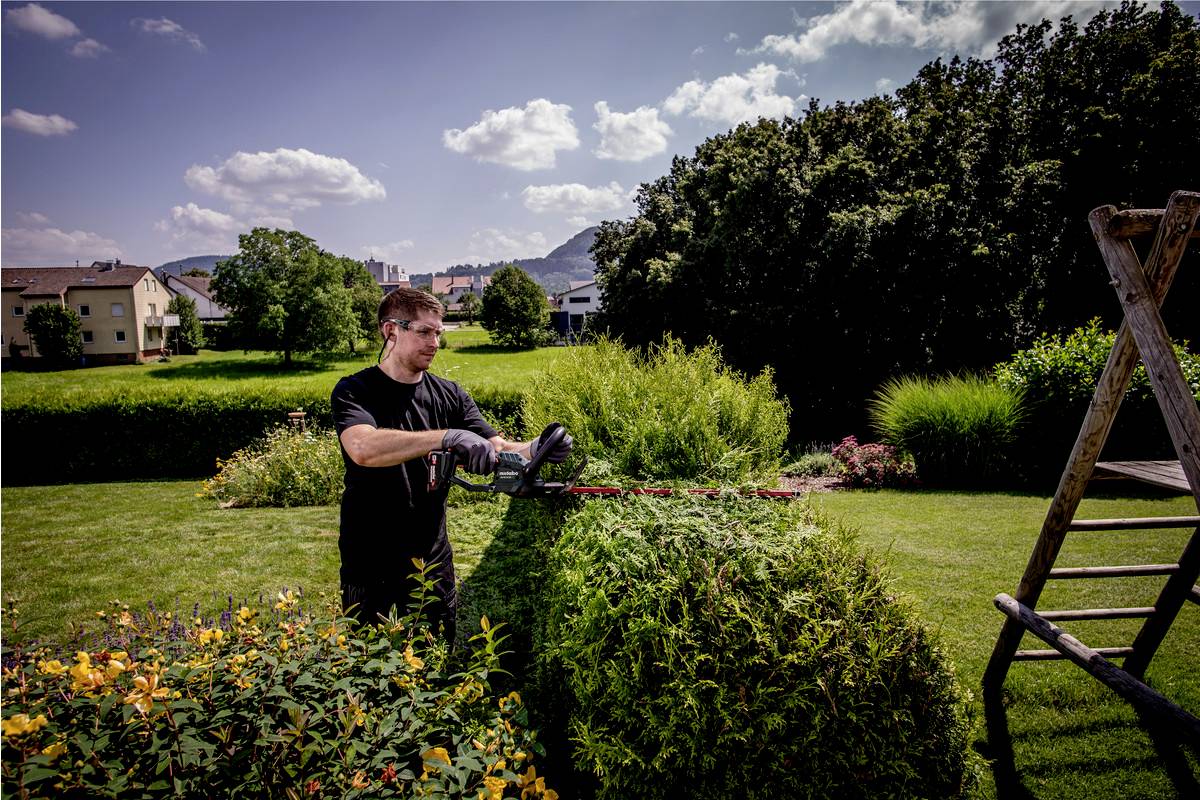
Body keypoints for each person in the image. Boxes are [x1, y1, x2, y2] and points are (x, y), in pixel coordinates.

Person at [330, 287, 571, 638]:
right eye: (424, 332)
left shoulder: (450, 394)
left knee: (437, 666)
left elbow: (496, 446)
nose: (435, 342)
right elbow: (363, 447)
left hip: (433, 560)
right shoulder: (355, 390)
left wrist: (536, 448)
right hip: (371, 562)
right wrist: (446, 437)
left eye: (438, 333)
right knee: (372, 672)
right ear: (390, 331)